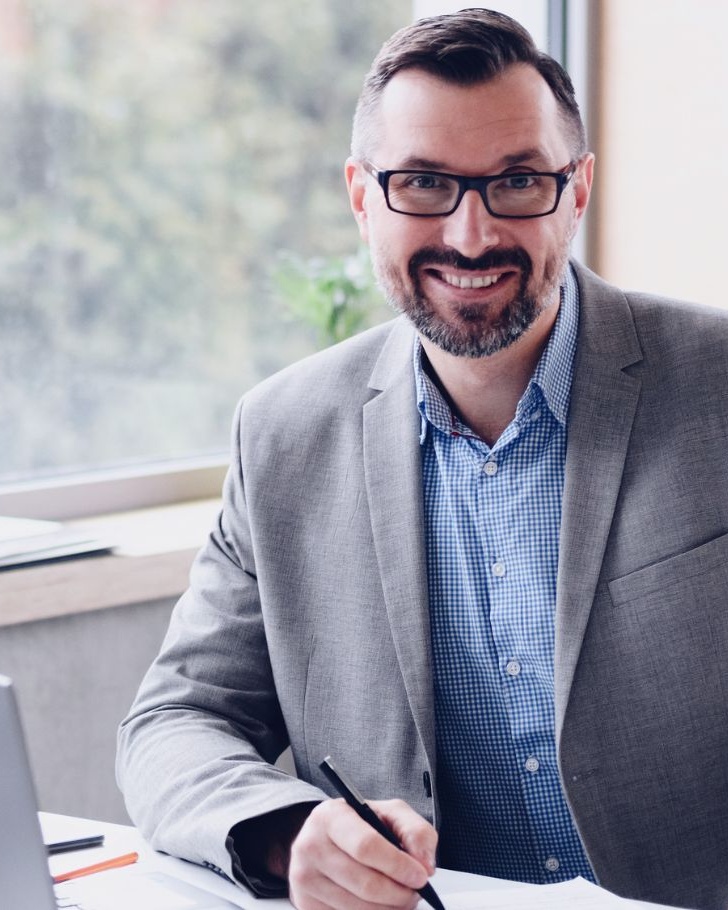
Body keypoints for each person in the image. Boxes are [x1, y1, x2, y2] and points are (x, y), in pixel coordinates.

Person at [117, 9, 728, 910]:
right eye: (424, 183)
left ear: (578, 190)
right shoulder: (281, 435)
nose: (471, 236)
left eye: (518, 181)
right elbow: (177, 720)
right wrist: (288, 829)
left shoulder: (716, 385)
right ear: (363, 197)